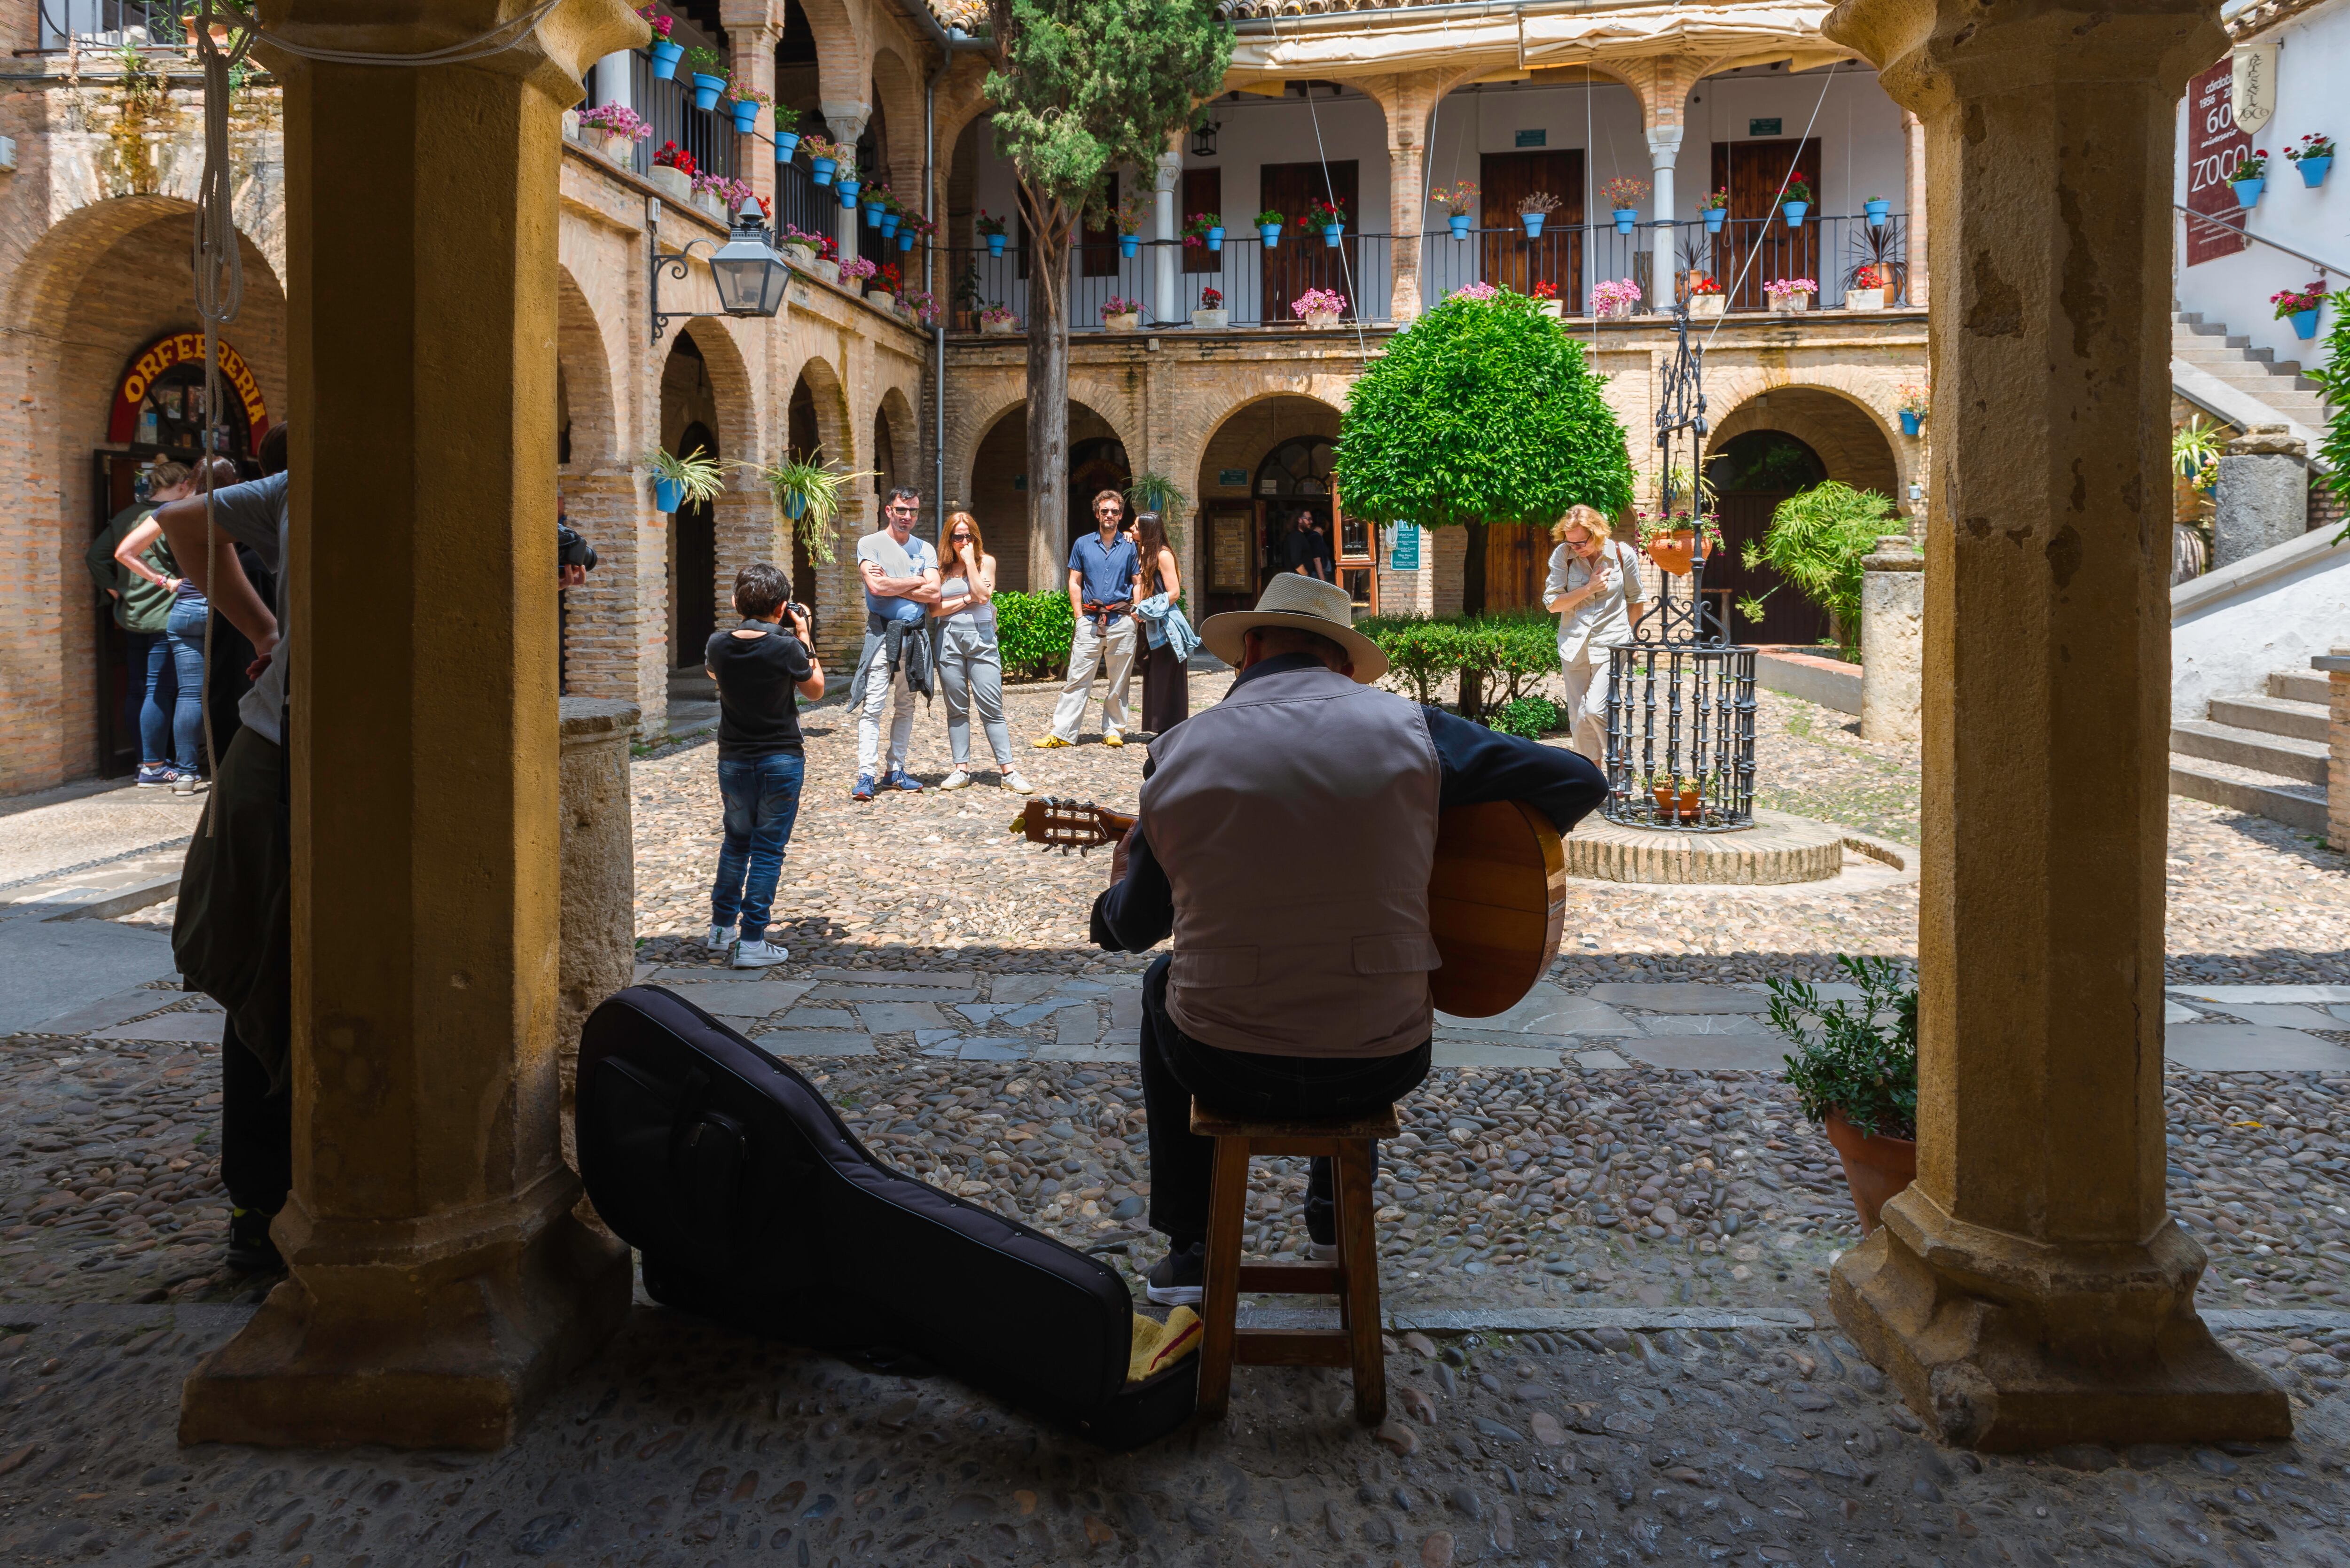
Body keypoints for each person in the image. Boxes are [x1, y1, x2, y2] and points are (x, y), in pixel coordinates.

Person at [1088, 575, 1608, 1303]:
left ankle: (1193, 1246)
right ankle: (1333, 1217)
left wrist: (1118, 884)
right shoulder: (1418, 731)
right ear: (1341, 663)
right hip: (1381, 1060)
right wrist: (1447, 841)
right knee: (1355, 984)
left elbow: (1132, 929)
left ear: (1252, 651)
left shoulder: (1178, 749)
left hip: (1224, 1060)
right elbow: (1578, 780)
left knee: (1158, 986)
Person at [152, 424, 294, 1272]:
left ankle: (264, 1197)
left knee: (266, 970)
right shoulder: (297, 493)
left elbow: (184, 522)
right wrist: (267, 628)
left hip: (277, 754)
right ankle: (266, 1197)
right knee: (268, 970)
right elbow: (182, 522)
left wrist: (265, 630)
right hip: (282, 762)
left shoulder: (292, 493)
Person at [705, 562, 824, 967]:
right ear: (782, 607)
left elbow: (715, 674)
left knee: (735, 842)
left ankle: (721, 929)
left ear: (737, 602)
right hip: (779, 759)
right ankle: (753, 940)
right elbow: (815, 690)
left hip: (733, 759)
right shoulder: (787, 647)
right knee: (768, 849)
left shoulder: (717, 645)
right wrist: (804, 633)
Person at [109, 456, 242, 795]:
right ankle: (229, 766)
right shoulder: (238, 506)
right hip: (227, 608)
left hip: (183, 609)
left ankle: (185, 774)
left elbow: (124, 551)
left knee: (189, 693)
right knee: (234, 686)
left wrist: (165, 581)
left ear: (191, 481)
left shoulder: (170, 513)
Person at [87, 460, 201, 788]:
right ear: (182, 485)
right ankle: (153, 765)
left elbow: (96, 556)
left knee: (139, 687)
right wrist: (167, 582)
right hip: (165, 613)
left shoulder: (126, 515)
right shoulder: (171, 516)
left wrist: (116, 589)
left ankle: (144, 758)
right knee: (160, 689)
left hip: (132, 615)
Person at [930, 512, 1034, 794]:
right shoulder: (939, 568)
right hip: (948, 637)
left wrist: (968, 564)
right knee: (956, 708)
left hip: (982, 636)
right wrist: (967, 598)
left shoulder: (986, 562)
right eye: (958, 537)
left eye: (969, 536)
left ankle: (1009, 771)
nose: (964, 542)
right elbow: (935, 610)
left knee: (992, 706)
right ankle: (961, 769)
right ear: (948, 539)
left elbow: (984, 596)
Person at [849, 486, 940, 799]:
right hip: (881, 632)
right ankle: (865, 775)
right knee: (873, 705)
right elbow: (875, 586)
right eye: (902, 510)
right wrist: (918, 580)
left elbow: (936, 594)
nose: (907, 517)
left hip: (914, 634)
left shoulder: (925, 549)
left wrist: (894, 585)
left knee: (906, 705)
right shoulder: (869, 543)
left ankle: (895, 770)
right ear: (889, 511)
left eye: (913, 511)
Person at [1543, 504, 1648, 764]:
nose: (1576, 548)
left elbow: (1635, 599)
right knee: (1578, 720)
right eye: (1571, 542)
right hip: (1574, 643)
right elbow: (1553, 604)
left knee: (1596, 709)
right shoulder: (1563, 556)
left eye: (1581, 542)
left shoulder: (1623, 555)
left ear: (1598, 532)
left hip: (1613, 641)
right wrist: (1589, 588)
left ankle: (1623, 762)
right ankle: (1592, 780)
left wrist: (1634, 642)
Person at [1036, 489, 1139, 749]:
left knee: (1119, 680)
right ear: (1097, 514)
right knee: (1077, 678)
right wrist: (1079, 617)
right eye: (1105, 511)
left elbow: (1138, 581)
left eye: (1115, 512)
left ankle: (1114, 730)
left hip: (1122, 620)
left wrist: (1137, 611)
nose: (1110, 516)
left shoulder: (1130, 546)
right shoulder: (1082, 544)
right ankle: (1063, 732)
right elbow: (1075, 582)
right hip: (1090, 620)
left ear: (1121, 515)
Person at [1129, 511, 1194, 738]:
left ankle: (1171, 728)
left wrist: (1147, 610)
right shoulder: (1145, 551)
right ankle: (1161, 727)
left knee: (1167, 675)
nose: (1132, 529)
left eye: (1137, 527)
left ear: (1148, 531)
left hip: (1166, 626)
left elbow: (1174, 593)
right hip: (1151, 624)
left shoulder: (1163, 555)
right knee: (1155, 675)